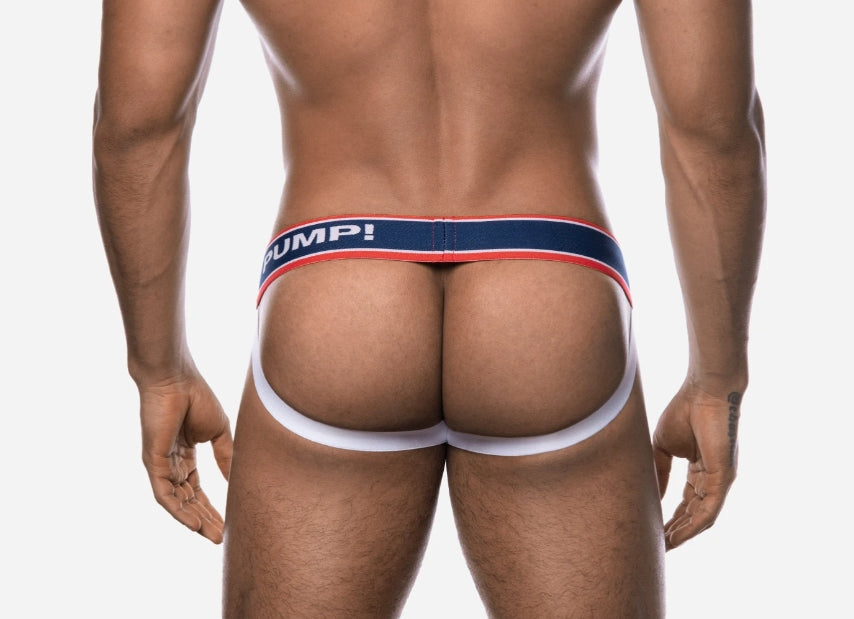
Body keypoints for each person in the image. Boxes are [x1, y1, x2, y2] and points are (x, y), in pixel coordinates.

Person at [92, 0, 765, 615]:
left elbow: (138, 128)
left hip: (338, 282)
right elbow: (714, 134)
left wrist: (159, 368)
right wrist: (718, 378)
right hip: (545, 285)